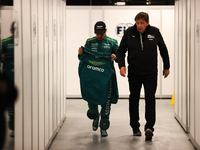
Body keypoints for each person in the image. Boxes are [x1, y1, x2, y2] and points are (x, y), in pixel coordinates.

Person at [117, 12, 170, 140]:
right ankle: (135, 127)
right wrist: (121, 65)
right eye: (137, 23)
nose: (139, 25)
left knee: (150, 98)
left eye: (142, 23)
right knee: (134, 99)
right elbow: (121, 50)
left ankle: (149, 127)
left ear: (147, 23)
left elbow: (163, 49)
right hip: (134, 73)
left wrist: (166, 66)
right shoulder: (129, 32)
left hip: (150, 73)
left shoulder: (155, 32)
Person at [78, 21, 118, 137]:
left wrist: (116, 56)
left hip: (106, 79)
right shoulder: (89, 42)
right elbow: (83, 58)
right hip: (92, 78)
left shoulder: (112, 42)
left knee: (106, 102)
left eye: (101, 33)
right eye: (97, 34)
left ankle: (104, 127)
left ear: (106, 31)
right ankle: (94, 116)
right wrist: (80, 54)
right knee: (92, 101)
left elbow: (120, 55)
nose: (99, 36)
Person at [1, 22, 15, 137]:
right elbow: (1, 58)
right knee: (11, 106)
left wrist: (8, 55)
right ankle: (13, 127)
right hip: (8, 77)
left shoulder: (26, 42)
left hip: (23, 79)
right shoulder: (5, 42)